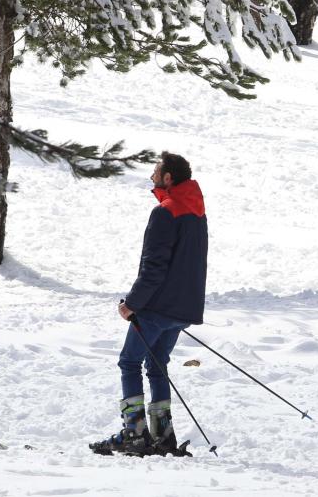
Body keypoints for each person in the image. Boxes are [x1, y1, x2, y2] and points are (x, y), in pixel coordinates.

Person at [90, 151, 208, 456]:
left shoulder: (165, 211)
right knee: (157, 366)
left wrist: (132, 303)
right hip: (184, 308)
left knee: (129, 362)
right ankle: (163, 435)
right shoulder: (196, 211)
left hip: (157, 308)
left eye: (156, 172)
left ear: (168, 178)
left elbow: (153, 267)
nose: (152, 176)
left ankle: (135, 433)